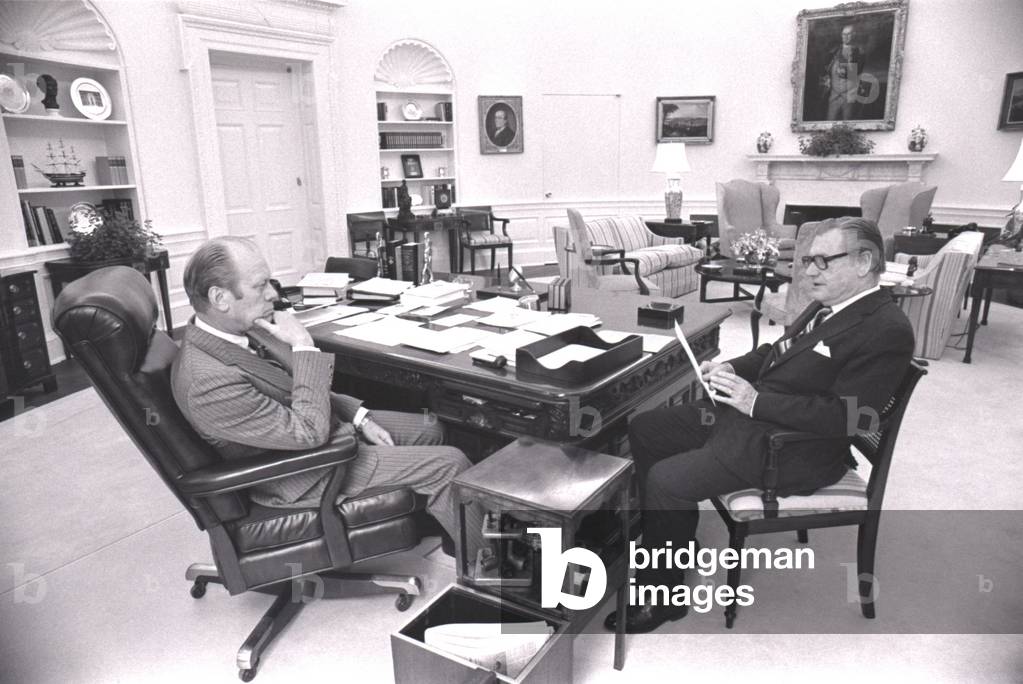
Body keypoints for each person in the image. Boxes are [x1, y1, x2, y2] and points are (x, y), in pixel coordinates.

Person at [604, 217, 915, 633]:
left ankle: (663, 599)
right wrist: (731, 366)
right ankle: (670, 534)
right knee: (647, 427)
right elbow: (776, 351)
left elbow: (850, 417)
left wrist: (755, 401)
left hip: (792, 449)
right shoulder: (829, 305)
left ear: (864, 262)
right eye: (808, 260)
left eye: (823, 261)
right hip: (752, 422)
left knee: (666, 479)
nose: (808, 271)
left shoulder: (886, 329)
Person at [171, 236, 471, 547]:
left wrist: (359, 417)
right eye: (261, 286)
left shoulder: (239, 328)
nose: (274, 294)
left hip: (317, 431)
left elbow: (296, 387)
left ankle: (445, 525)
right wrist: (303, 345)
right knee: (450, 464)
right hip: (304, 471)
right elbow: (309, 432)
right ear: (220, 298)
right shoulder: (206, 382)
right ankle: (493, 574)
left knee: (431, 427)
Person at [821, 24, 866, 120]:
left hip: (849, 96)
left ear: (854, 35)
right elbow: (825, 70)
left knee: (848, 124)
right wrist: (827, 78)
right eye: (843, 34)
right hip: (834, 95)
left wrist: (844, 71)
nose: (845, 37)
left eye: (848, 34)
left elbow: (855, 73)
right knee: (829, 123)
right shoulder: (834, 52)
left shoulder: (859, 53)